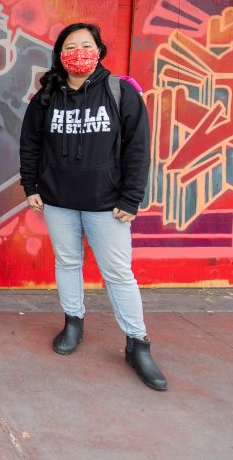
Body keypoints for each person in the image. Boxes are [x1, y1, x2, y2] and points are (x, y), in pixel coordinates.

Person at [18, 22, 167, 391]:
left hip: (108, 205)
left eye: (87, 45)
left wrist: (131, 197)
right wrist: (30, 185)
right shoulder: (47, 96)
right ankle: (73, 322)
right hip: (58, 200)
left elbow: (137, 149)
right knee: (67, 263)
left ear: (99, 50)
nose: (79, 52)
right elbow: (30, 143)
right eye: (71, 46)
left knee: (118, 273)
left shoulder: (120, 92)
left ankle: (138, 343)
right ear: (60, 54)